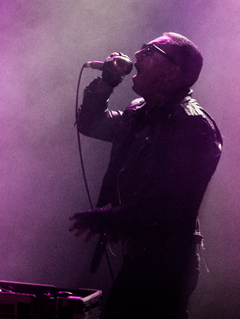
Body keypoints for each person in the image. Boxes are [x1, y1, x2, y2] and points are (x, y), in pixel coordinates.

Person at [69, 33, 221, 319]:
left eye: (150, 51)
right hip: (140, 255)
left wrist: (108, 217)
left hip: (167, 264)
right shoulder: (140, 112)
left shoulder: (192, 125)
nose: (137, 56)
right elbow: (90, 124)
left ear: (174, 71)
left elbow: (167, 204)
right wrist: (106, 83)